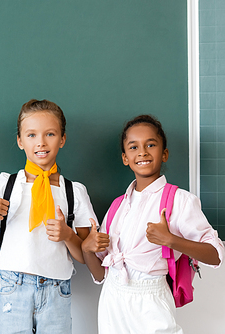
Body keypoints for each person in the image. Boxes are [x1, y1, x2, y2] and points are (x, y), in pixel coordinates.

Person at [0, 99, 97, 334]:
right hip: (14, 287)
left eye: (50, 134)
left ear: (62, 139)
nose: (40, 142)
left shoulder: (74, 191)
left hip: (57, 289)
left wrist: (67, 235)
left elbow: (85, 255)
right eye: (31, 135)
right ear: (20, 141)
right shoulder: (5, 185)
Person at [82, 114, 224, 333]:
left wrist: (171, 240)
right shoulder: (117, 207)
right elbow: (101, 275)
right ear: (124, 158)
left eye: (151, 144)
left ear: (164, 153)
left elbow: (215, 254)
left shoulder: (179, 201)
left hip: (151, 300)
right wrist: (87, 249)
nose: (142, 152)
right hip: (112, 301)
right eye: (133, 147)